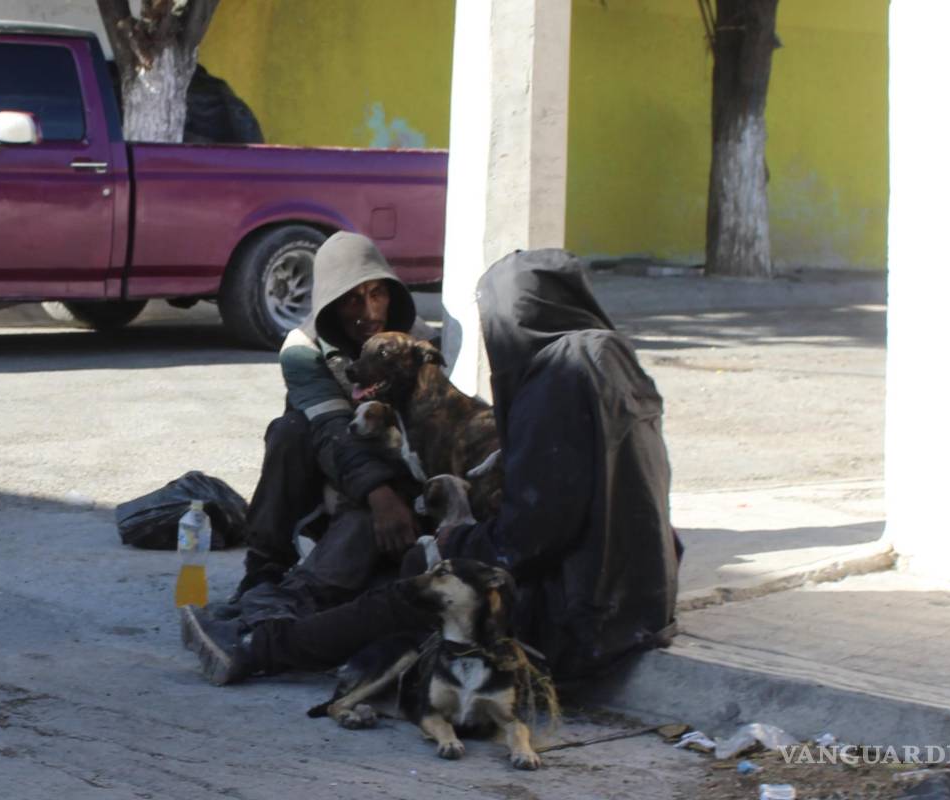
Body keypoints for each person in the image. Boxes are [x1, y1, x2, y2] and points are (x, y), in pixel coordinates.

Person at [183, 248, 681, 684]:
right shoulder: (612, 361)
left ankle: (261, 648)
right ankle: (273, 589)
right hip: (645, 609)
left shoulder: (556, 384)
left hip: (581, 623)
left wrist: (457, 541)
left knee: (416, 592)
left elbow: (530, 538)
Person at [231, 231, 436, 624]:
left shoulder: (417, 341)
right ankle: (263, 570)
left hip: (397, 470)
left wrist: (401, 498)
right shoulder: (301, 349)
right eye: (352, 298)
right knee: (288, 429)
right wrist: (379, 496)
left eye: (378, 294)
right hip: (329, 465)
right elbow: (331, 431)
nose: (369, 312)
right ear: (329, 301)